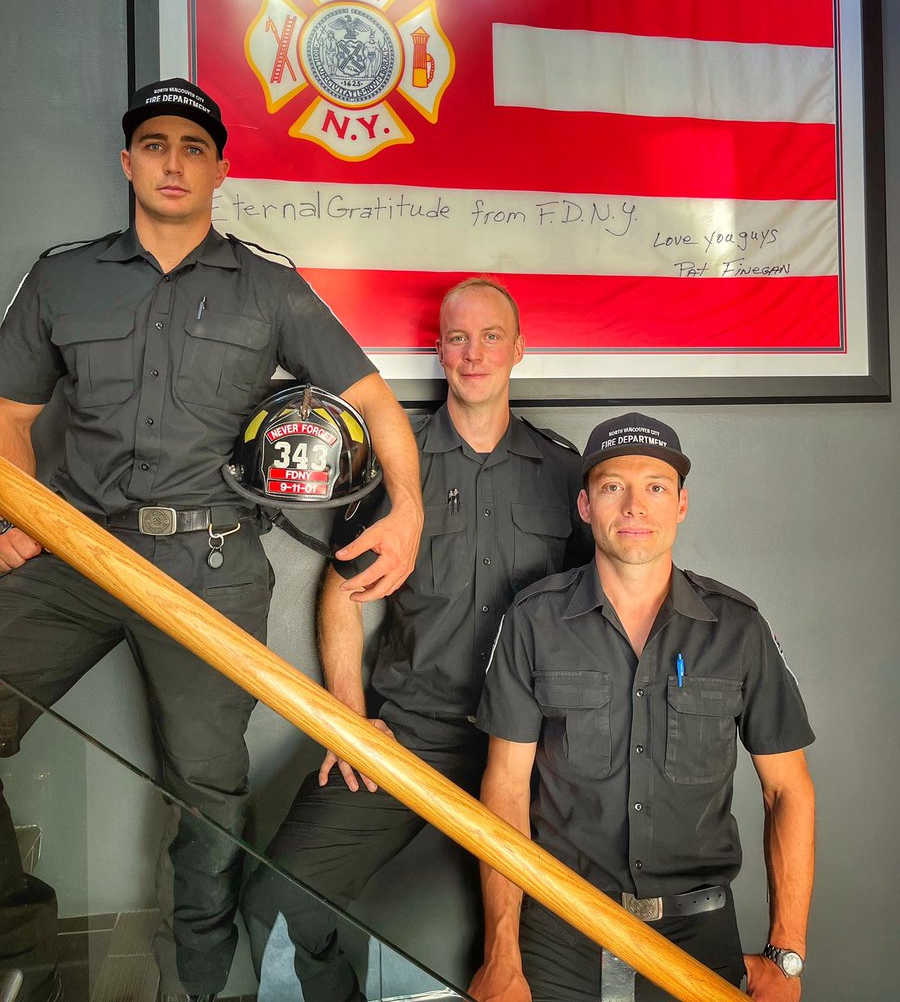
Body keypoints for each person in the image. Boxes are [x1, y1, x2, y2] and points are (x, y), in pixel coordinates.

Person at [0, 78, 424, 1002]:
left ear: (220, 169)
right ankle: (17, 943)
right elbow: (10, 413)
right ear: (128, 162)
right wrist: (17, 513)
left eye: (194, 148)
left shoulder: (266, 283)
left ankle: (197, 986)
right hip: (75, 547)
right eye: (156, 144)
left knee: (207, 793)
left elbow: (372, 401)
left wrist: (410, 508)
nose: (174, 162)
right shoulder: (62, 274)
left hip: (208, 563)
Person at [242, 277, 593, 1002]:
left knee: (579, 936)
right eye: (457, 337)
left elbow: (598, 608)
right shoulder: (401, 466)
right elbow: (340, 588)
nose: (473, 353)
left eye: (491, 336)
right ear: (438, 350)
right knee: (279, 903)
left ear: (518, 349)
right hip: (413, 740)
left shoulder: (565, 473)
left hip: (536, 749)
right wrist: (347, 718)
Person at [471, 413, 815, 1002]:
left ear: (681, 505)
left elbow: (789, 791)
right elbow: (504, 789)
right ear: (585, 505)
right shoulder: (532, 620)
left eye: (656, 487)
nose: (635, 506)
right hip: (560, 931)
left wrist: (786, 956)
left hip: (697, 940)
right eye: (613, 487)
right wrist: (501, 952)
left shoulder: (738, 628)